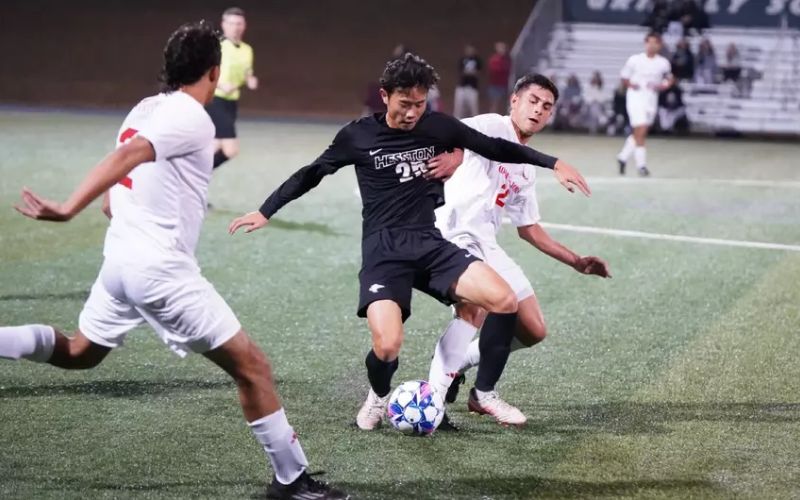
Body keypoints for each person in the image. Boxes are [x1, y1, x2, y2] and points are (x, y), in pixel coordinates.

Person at [3, 21, 345, 500]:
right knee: (253, 367)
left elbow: (116, 192)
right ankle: (292, 480)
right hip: (159, 270)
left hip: (120, 262)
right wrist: (67, 208)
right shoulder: (193, 116)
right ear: (214, 71)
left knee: (80, 352)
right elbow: (131, 155)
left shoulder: (144, 108)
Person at [228, 53, 590, 431]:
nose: (412, 113)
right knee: (387, 346)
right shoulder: (358, 135)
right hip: (384, 251)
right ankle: (378, 395)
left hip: (430, 244)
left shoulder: (436, 125)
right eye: (405, 104)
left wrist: (553, 163)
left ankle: (483, 393)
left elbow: (495, 147)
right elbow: (312, 172)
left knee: (503, 300)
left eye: (420, 104)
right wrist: (266, 211)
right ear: (385, 96)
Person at [425, 74, 611, 426]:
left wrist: (576, 262)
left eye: (546, 106)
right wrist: (456, 154)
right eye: (533, 101)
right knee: (476, 309)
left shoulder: (526, 169)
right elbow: (449, 132)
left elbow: (529, 229)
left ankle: (458, 364)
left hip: (485, 241)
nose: (538, 110)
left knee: (533, 329)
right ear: (514, 101)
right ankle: (447, 400)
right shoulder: (490, 125)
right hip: (452, 234)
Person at [206, 7, 258, 170]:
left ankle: (191, 177)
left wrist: (250, 79)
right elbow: (203, 73)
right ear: (223, 24)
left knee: (215, 145)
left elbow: (247, 72)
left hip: (231, 103)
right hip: (215, 100)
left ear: (244, 25)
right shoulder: (217, 47)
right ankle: (193, 176)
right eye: (231, 23)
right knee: (230, 149)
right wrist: (221, 84)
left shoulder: (247, 50)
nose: (235, 27)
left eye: (238, 23)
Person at [616, 32, 674, 177]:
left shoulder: (663, 63)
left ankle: (622, 157)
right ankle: (641, 166)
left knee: (640, 132)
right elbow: (624, 77)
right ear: (645, 43)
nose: (652, 45)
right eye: (649, 42)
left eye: (655, 43)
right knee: (641, 129)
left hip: (651, 99)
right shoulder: (635, 60)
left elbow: (669, 79)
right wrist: (632, 85)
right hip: (636, 98)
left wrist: (663, 86)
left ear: (659, 45)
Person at [454, 44, 482, 118]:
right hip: (462, 86)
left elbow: (479, 72)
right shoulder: (462, 59)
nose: (470, 51)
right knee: (459, 107)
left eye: (471, 50)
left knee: (473, 108)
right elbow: (460, 71)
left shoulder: (477, 60)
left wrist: (472, 73)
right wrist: (467, 72)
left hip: (473, 87)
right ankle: (457, 121)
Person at [487, 42, 512, 114]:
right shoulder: (494, 59)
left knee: (505, 104)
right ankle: (492, 116)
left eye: (503, 48)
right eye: (500, 48)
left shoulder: (508, 60)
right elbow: (493, 70)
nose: (502, 50)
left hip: (505, 85)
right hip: (495, 85)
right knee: (494, 103)